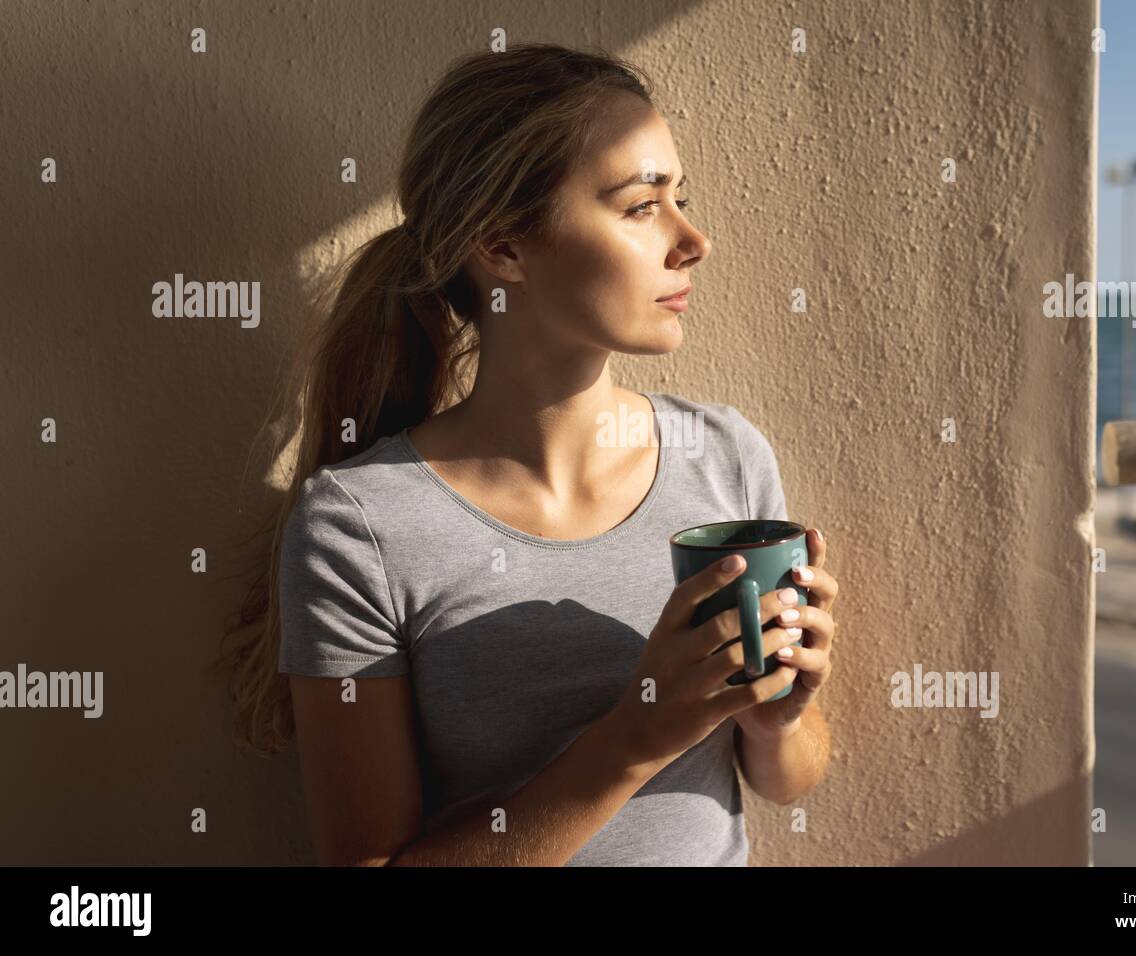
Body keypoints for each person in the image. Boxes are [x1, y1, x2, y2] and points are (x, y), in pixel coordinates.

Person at [218, 42, 838, 866]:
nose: (694, 241)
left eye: (679, 198)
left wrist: (779, 715)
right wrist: (639, 735)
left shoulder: (724, 456)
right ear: (503, 245)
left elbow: (787, 782)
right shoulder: (360, 525)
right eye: (640, 206)